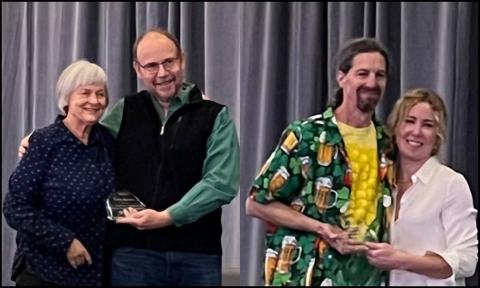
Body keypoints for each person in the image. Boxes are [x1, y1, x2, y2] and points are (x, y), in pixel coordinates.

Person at [17, 28, 240, 286]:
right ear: (138, 69)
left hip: (196, 253)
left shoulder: (215, 115)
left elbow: (221, 183)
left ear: (182, 59)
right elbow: (83, 138)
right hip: (132, 253)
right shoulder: (124, 110)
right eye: (151, 65)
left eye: (169, 62)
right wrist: (38, 138)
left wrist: (167, 217)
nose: (162, 73)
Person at [245, 38, 395, 286]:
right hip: (308, 274)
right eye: (362, 73)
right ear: (341, 78)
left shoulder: (387, 142)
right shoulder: (307, 135)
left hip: (366, 275)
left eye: (379, 75)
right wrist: (322, 228)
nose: (372, 82)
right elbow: (256, 203)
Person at [3, 60, 115, 286]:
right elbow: (15, 207)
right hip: (44, 271)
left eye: (100, 94)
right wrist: (65, 242)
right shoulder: (44, 142)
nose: (94, 101)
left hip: (94, 273)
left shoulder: (108, 141)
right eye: (85, 93)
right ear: (67, 98)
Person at [365, 88, 478, 286]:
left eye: (427, 125)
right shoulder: (378, 184)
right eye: (409, 121)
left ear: (438, 136)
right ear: (396, 127)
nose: (416, 132)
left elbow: (467, 260)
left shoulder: (451, 183)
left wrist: (402, 261)